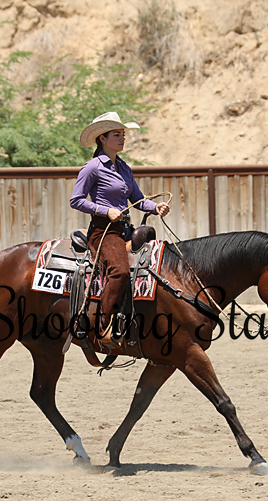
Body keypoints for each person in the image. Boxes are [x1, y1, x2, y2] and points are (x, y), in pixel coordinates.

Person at [70, 112, 170, 345]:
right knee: (120, 271)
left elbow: (138, 199)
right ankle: (103, 327)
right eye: (117, 134)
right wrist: (105, 210)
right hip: (103, 231)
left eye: (123, 134)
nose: (122, 138)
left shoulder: (123, 168)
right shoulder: (92, 167)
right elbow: (76, 200)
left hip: (125, 229)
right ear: (102, 139)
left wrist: (156, 207)